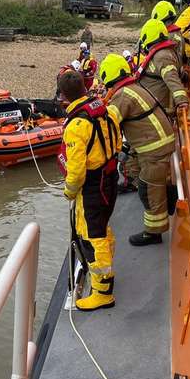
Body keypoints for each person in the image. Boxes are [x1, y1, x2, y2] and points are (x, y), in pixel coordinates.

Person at [58, 69, 122, 310]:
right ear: (86, 87)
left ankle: (103, 291)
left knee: (92, 235)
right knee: (103, 227)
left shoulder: (76, 125)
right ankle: (104, 275)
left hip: (92, 186)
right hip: (110, 178)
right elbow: (116, 143)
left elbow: (76, 171)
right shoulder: (107, 111)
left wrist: (69, 192)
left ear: (64, 95)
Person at [100, 53, 176, 246]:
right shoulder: (133, 87)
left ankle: (153, 232)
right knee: (155, 183)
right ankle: (170, 196)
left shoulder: (122, 96)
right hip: (158, 143)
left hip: (154, 148)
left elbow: (108, 125)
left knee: (148, 189)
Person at [135, 19, 190, 116]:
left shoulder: (162, 55)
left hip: (156, 106)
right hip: (152, 102)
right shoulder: (165, 52)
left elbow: (172, 78)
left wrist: (181, 100)